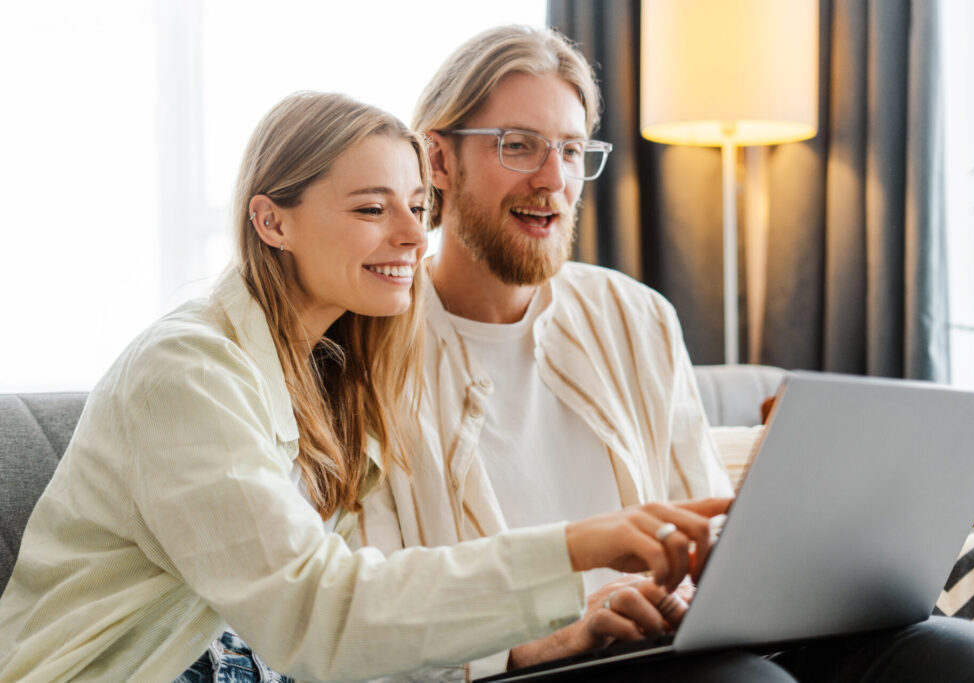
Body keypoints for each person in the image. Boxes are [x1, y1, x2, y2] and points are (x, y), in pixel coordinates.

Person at [358, 25, 974, 680]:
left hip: (674, 641)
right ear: (438, 161)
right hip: (529, 666)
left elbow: (705, 518)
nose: (553, 178)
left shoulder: (634, 315)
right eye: (519, 146)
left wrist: (726, 584)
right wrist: (541, 641)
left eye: (571, 149)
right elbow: (365, 609)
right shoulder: (367, 350)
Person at [0, 91, 730, 683]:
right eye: (372, 208)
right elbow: (318, 611)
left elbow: (375, 608)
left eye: (417, 206)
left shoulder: (333, 376)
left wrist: (534, 646)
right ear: (272, 221)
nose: (414, 235)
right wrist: (575, 547)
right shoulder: (186, 373)